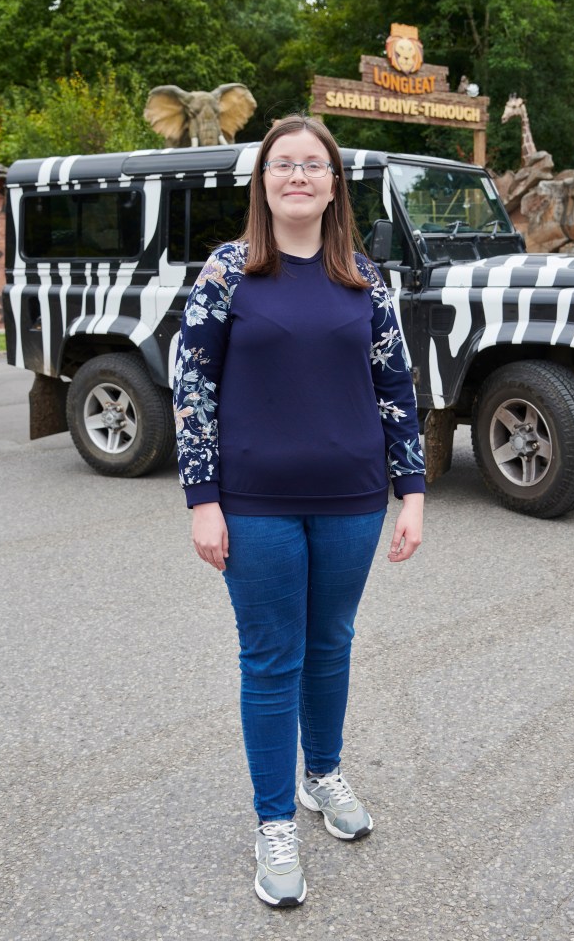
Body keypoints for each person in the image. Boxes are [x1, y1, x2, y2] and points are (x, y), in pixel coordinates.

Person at [173, 114, 425, 907]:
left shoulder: (363, 275)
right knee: (271, 658)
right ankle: (273, 821)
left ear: (331, 183)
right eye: (283, 164)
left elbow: (396, 390)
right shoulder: (226, 272)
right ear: (263, 181)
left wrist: (411, 492)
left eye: (312, 165)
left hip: (353, 499)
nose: (297, 176)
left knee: (331, 644)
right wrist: (202, 501)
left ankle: (322, 774)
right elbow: (193, 392)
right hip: (254, 505)